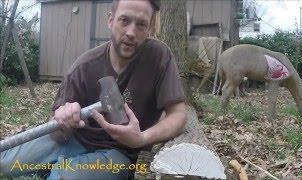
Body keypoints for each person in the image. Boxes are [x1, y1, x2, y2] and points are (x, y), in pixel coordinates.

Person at [0, 0, 187, 179]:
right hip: (75, 139)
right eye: (124, 20)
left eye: (141, 24)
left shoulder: (159, 57)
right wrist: (63, 120)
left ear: (149, 28)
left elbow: (178, 115)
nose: (131, 32)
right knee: (5, 163)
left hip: (121, 153)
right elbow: (57, 133)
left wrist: (141, 138)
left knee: (63, 177)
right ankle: (59, 163)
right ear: (110, 20)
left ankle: (61, 168)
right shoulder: (84, 66)